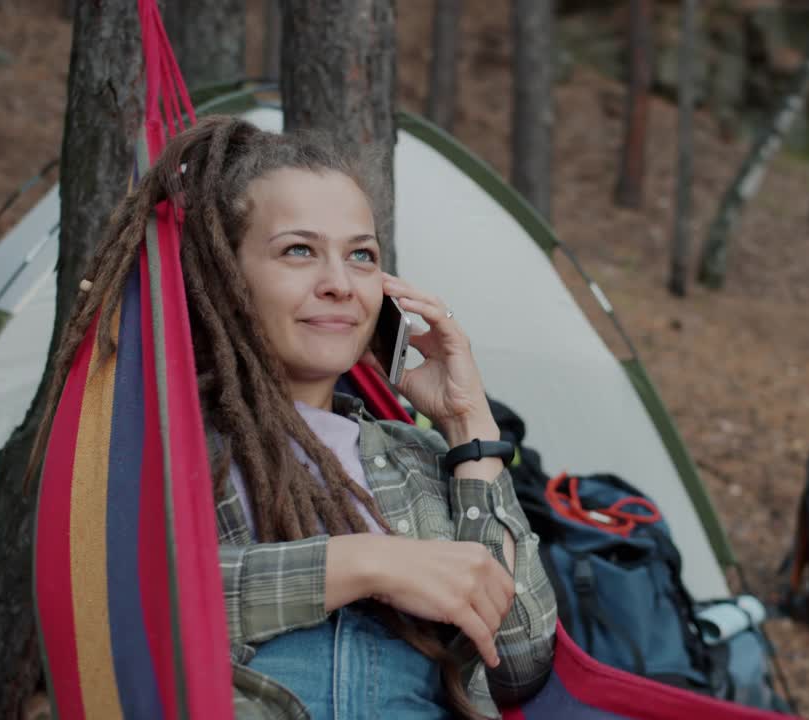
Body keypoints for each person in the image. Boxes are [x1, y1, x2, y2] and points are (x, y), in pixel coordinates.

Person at [30, 116, 557, 719]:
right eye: (299, 250)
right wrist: (363, 563)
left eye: (361, 256)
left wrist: (468, 426)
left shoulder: (418, 459)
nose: (338, 283)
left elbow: (520, 663)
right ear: (225, 275)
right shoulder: (166, 442)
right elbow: (118, 613)